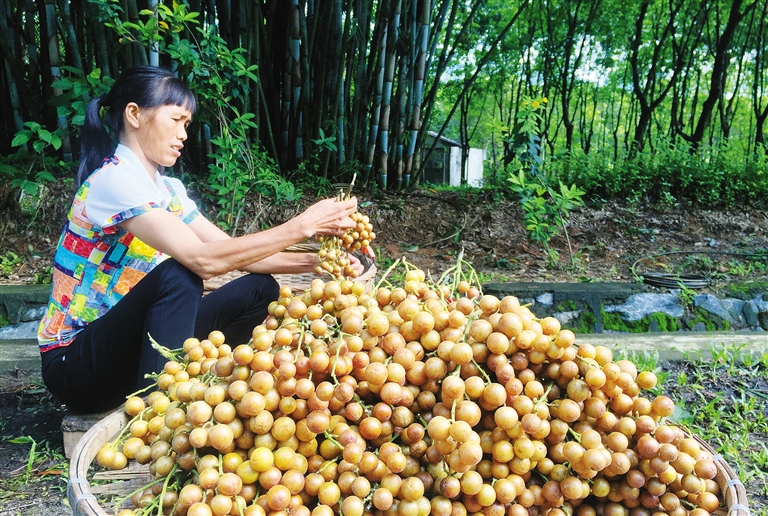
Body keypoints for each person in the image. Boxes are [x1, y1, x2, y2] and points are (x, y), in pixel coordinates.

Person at [38, 65, 361, 414]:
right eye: (176, 119)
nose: (183, 134)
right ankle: (163, 408)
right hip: (77, 365)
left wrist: (321, 263)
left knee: (259, 290)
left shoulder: (167, 190)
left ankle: (200, 382)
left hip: (132, 349)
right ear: (134, 114)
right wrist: (302, 226)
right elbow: (202, 259)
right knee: (181, 273)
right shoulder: (113, 180)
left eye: (186, 124)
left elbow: (240, 257)